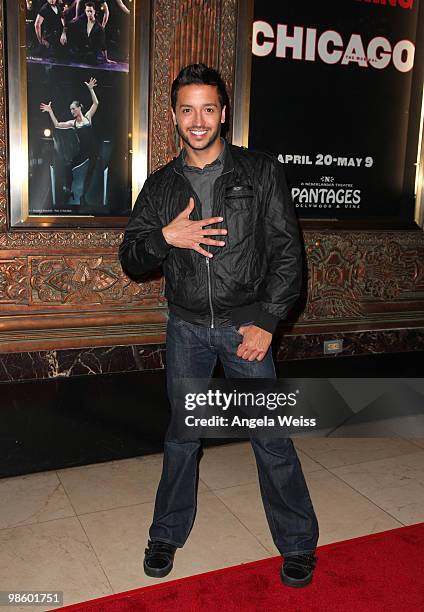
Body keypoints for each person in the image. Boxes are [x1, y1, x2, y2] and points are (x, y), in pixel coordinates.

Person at [119, 64, 319, 588]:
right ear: (174, 116)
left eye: (208, 108)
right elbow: (132, 255)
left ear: (223, 113)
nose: (198, 120)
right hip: (186, 330)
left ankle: (297, 543)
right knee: (182, 436)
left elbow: (287, 254)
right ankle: (167, 532)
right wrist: (168, 236)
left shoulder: (260, 171)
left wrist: (267, 322)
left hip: (244, 328)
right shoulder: (161, 185)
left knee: (271, 437)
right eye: (187, 109)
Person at [40, 77, 100, 206]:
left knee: (90, 173)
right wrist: (50, 111)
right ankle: (67, 190)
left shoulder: (88, 117)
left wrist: (90, 89)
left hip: (93, 151)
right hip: (83, 152)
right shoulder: (72, 123)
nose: (71, 111)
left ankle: (83, 197)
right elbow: (57, 125)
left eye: (73, 108)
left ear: (79, 108)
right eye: (70, 109)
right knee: (68, 166)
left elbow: (96, 103)